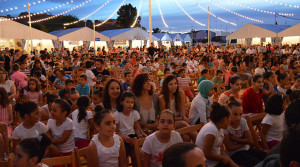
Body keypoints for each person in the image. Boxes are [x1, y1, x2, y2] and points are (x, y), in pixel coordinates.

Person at [223, 97, 266, 167]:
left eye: (240, 114)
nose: (238, 117)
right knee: (258, 163)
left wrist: (232, 138)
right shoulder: (226, 125)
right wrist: (244, 143)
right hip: (234, 153)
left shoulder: (242, 121)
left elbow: (250, 141)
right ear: (228, 114)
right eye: (235, 114)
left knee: (267, 157)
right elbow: (229, 148)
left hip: (246, 148)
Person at [196, 102, 238, 167]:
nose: (231, 121)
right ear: (225, 119)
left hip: (217, 161)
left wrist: (231, 163)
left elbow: (221, 151)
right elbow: (206, 153)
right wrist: (223, 158)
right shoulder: (211, 130)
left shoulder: (219, 128)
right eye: (230, 118)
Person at [159, 74, 197, 142]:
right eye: (170, 84)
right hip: (169, 122)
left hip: (180, 120)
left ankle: (189, 150)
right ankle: (201, 145)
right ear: (166, 86)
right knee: (184, 123)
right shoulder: (162, 98)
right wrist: (182, 118)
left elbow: (183, 113)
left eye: (175, 83)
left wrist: (183, 118)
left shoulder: (180, 94)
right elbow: (167, 117)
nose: (174, 86)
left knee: (186, 137)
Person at [115, 92, 145, 157]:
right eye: (127, 102)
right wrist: (123, 137)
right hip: (122, 137)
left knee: (139, 153)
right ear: (121, 102)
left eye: (132, 102)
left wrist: (139, 135)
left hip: (133, 136)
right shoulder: (117, 114)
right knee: (124, 153)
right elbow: (116, 132)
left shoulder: (134, 113)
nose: (130, 104)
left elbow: (136, 127)